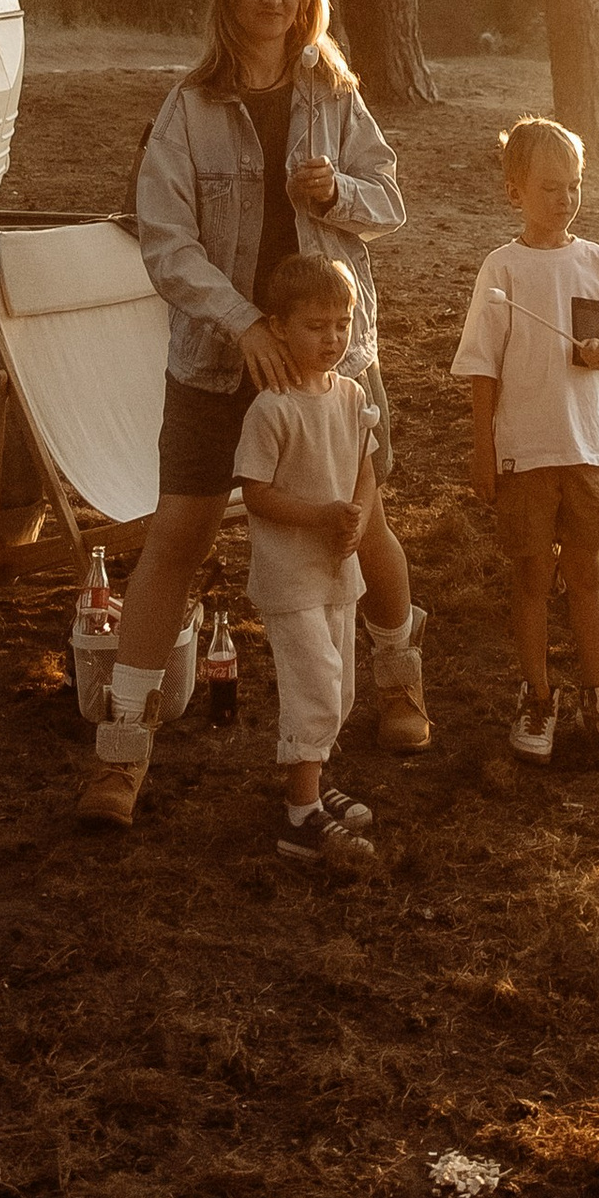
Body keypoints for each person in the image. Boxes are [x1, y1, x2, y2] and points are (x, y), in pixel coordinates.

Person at [78, 0, 426, 826]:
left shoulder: (333, 92)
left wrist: (336, 194)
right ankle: (123, 748)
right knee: (178, 541)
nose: (274, 0)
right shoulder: (189, 107)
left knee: (365, 524)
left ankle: (400, 679)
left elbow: (390, 201)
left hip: (331, 355)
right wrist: (241, 325)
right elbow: (164, 237)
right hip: (217, 359)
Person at [454, 115, 599, 764]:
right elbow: (482, 366)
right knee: (531, 575)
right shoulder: (503, 269)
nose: (565, 200)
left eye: (572, 186)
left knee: (584, 573)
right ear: (515, 191)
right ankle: (537, 696)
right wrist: (484, 448)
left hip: (584, 449)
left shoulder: (596, 262)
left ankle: (598, 696)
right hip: (525, 450)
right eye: (550, 187)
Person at [235, 254, 381, 865]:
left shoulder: (349, 396)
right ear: (279, 327)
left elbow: (366, 472)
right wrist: (321, 515)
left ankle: (312, 785)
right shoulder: (272, 408)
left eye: (342, 324)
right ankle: (299, 819)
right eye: (316, 326)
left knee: (340, 689)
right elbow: (256, 494)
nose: (332, 338)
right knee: (313, 687)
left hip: (336, 570)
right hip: (290, 576)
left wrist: (356, 518)